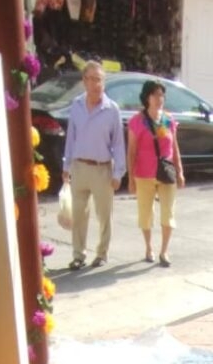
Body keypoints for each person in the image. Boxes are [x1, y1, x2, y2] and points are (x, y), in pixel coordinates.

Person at [62, 60, 126, 270]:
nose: (96, 84)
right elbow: (71, 137)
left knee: (104, 215)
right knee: (79, 216)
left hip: (102, 169)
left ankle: (101, 253)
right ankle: (78, 255)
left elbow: (118, 143)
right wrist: (66, 165)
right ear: (84, 81)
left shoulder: (111, 109)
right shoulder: (77, 105)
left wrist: (118, 173)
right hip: (80, 167)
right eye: (92, 79)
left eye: (99, 80)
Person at [127, 79, 185, 267]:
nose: (159, 98)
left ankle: (164, 251)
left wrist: (180, 170)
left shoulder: (168, 119)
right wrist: (130, 178)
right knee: (145, 213)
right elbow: (132, 151)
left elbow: (174, 146)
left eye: (161, 94)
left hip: (166, 172)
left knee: (168, 212)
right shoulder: (137, 121)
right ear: (147, 97)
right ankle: (148, 247)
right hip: (143, 173)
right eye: (155, 94)